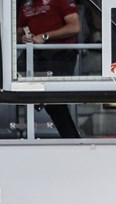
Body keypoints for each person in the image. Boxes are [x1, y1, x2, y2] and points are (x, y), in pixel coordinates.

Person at [16, 0, 81, 138]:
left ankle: (72, 140)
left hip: (61, 54)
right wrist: (23, 36)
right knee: (14, 72)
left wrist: (45, 36)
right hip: (36, 54)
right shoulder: (26, 4)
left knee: (54, 100)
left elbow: (75, 26)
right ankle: (39, 101)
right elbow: (18, 30)